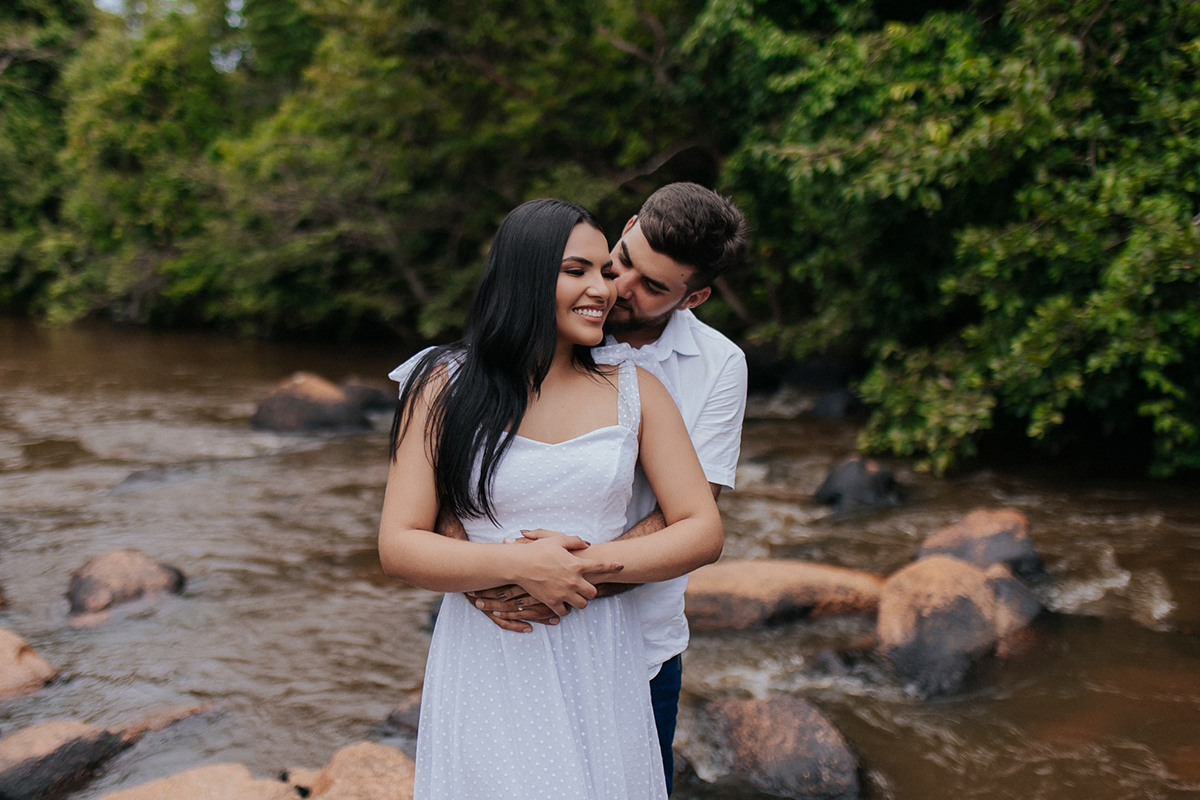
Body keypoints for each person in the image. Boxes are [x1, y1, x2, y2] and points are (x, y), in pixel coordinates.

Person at [378, 198, 724, 800]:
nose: (604, 290)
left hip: (598, 651)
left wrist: (575, 567)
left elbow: (700, 528)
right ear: (526, 273)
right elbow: (399, 544)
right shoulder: (444, 384)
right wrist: (515, 564)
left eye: (602, 272)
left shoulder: (635, 391)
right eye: (578, 270)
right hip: (488, 651)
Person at [463, 182, 750, 794]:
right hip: (503, 626)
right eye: (623, 259)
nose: (617, 288)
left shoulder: (718, 366)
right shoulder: (542, 327)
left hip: (639, 637)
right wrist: (482, 574)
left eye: (652, 287)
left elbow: (692, 515)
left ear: (694, 296)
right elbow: (446, 476)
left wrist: (561, 578)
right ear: (624, 227)